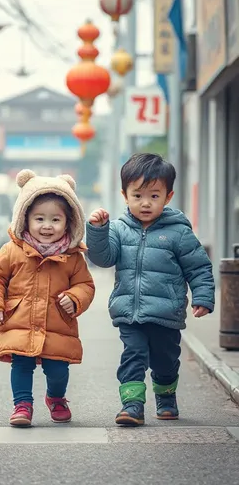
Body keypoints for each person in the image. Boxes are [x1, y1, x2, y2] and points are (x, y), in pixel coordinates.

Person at [86, 153, 215, 427]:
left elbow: (199, 267)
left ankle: (166, 397)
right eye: (138, 195)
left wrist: (202, 296)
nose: (145, 203)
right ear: (125, 195)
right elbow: (103, 258)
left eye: (154, 196)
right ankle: (132, 405)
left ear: (168, 197)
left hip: (166, 313)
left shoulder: (178, 233)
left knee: (165, 360)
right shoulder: (119, 230)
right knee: (132, 355)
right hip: (129, 313)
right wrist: (97, 230)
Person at [0, 169, 95, 428]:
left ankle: (55, 397)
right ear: (25, 218)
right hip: (19, 322)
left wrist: (75, 298)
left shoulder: (73, 257)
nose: (47, 226)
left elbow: (85, 285)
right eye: (39, 218)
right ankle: (22, 404)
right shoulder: (12, 251)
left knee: (58, 370)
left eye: (55, 220)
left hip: (57, 325)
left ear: (69, 222)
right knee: (21, 365)